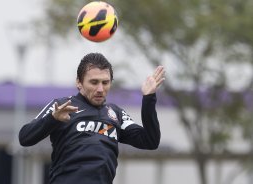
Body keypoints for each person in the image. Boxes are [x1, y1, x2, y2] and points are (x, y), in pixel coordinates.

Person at [19, 52, 165, 184]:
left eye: (105, 82)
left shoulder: (115, 113)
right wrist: (53, 119)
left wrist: (148, 98)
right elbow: (25, 137)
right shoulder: (62, 106)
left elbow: (150, 141)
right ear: (79, 82)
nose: (100, 89)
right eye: (94, 82)